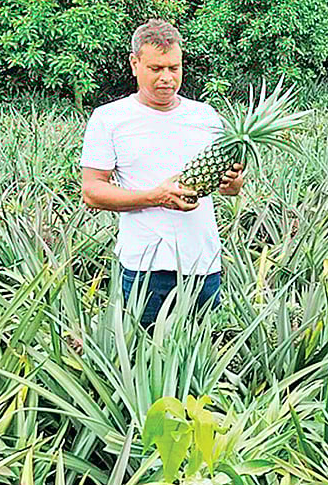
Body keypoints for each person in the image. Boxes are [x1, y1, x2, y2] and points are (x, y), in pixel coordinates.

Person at [80, 19, 244, 328]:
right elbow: (92, 192)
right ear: (135, 64)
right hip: (144, 267)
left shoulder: (206, 116)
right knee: (144, 359)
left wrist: (233, 182)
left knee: (204, 357)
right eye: (156, 69)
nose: (167, 78)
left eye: (174, 68)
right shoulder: (109, 119)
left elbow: (231, 188)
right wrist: (156, 197)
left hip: (204, 263)